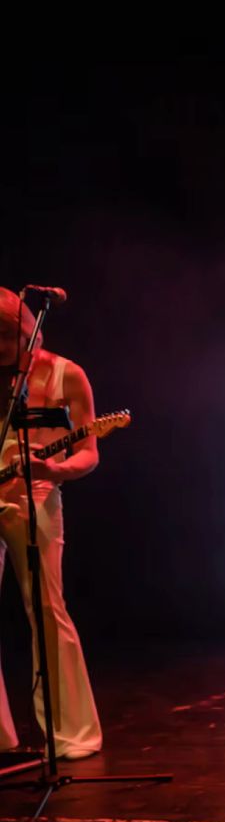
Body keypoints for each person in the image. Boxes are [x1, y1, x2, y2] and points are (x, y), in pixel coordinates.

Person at [0, 287, 104, 761]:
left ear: (25, 331)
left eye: (6, 339)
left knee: (46, 611)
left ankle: (71, 734)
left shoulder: (67, 374)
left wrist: (53, 470)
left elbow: (88, 452)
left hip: (35, 496)